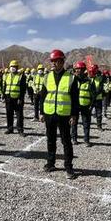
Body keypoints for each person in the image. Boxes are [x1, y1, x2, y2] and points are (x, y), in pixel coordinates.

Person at [39, 49, 79, 179]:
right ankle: (51, 163)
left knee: (66, 141)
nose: (53, 63)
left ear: (62, 62)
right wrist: (41, 112)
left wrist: (74, 115)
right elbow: (43, 96)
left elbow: (75, 98)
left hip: (64, 114)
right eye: (52, 61)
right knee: (50, 140)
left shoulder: (71, 78)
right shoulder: (47, 77)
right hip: (49, 113)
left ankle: (69, 167)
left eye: (55, 61)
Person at [71, 61, 95, 147]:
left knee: (86, 123)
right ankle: (74, 138)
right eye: (77, 69)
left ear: (84, 70)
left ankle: (86, 140)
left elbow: (93, 95)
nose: (78, 71)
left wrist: (91, 106)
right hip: (75, 106)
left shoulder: (89, 81)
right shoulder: (73, 80)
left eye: (80, 69)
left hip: (86, 106)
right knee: (74, 122)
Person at [3, 59, 27, 137]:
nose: (13, 68)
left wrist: (21, 98)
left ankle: (20, 130)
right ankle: (10, 128)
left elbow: (23, 89)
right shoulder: (7, 75)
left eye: (14, 66)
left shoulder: (21, 76)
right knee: (9, 114)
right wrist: (4, 96)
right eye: (11, 66)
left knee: (19, 115)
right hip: (8, 98)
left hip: (17, 99)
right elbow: (5, 86)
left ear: (17, 67)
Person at [90, 65, 105, 131]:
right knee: (88, 113)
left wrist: (95, 94)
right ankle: (87, 125)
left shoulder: (100, 78)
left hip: (98, 98)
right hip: (90, 99)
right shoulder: (89, 78)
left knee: (99, 113)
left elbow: (101, 88)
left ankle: (99, 126)